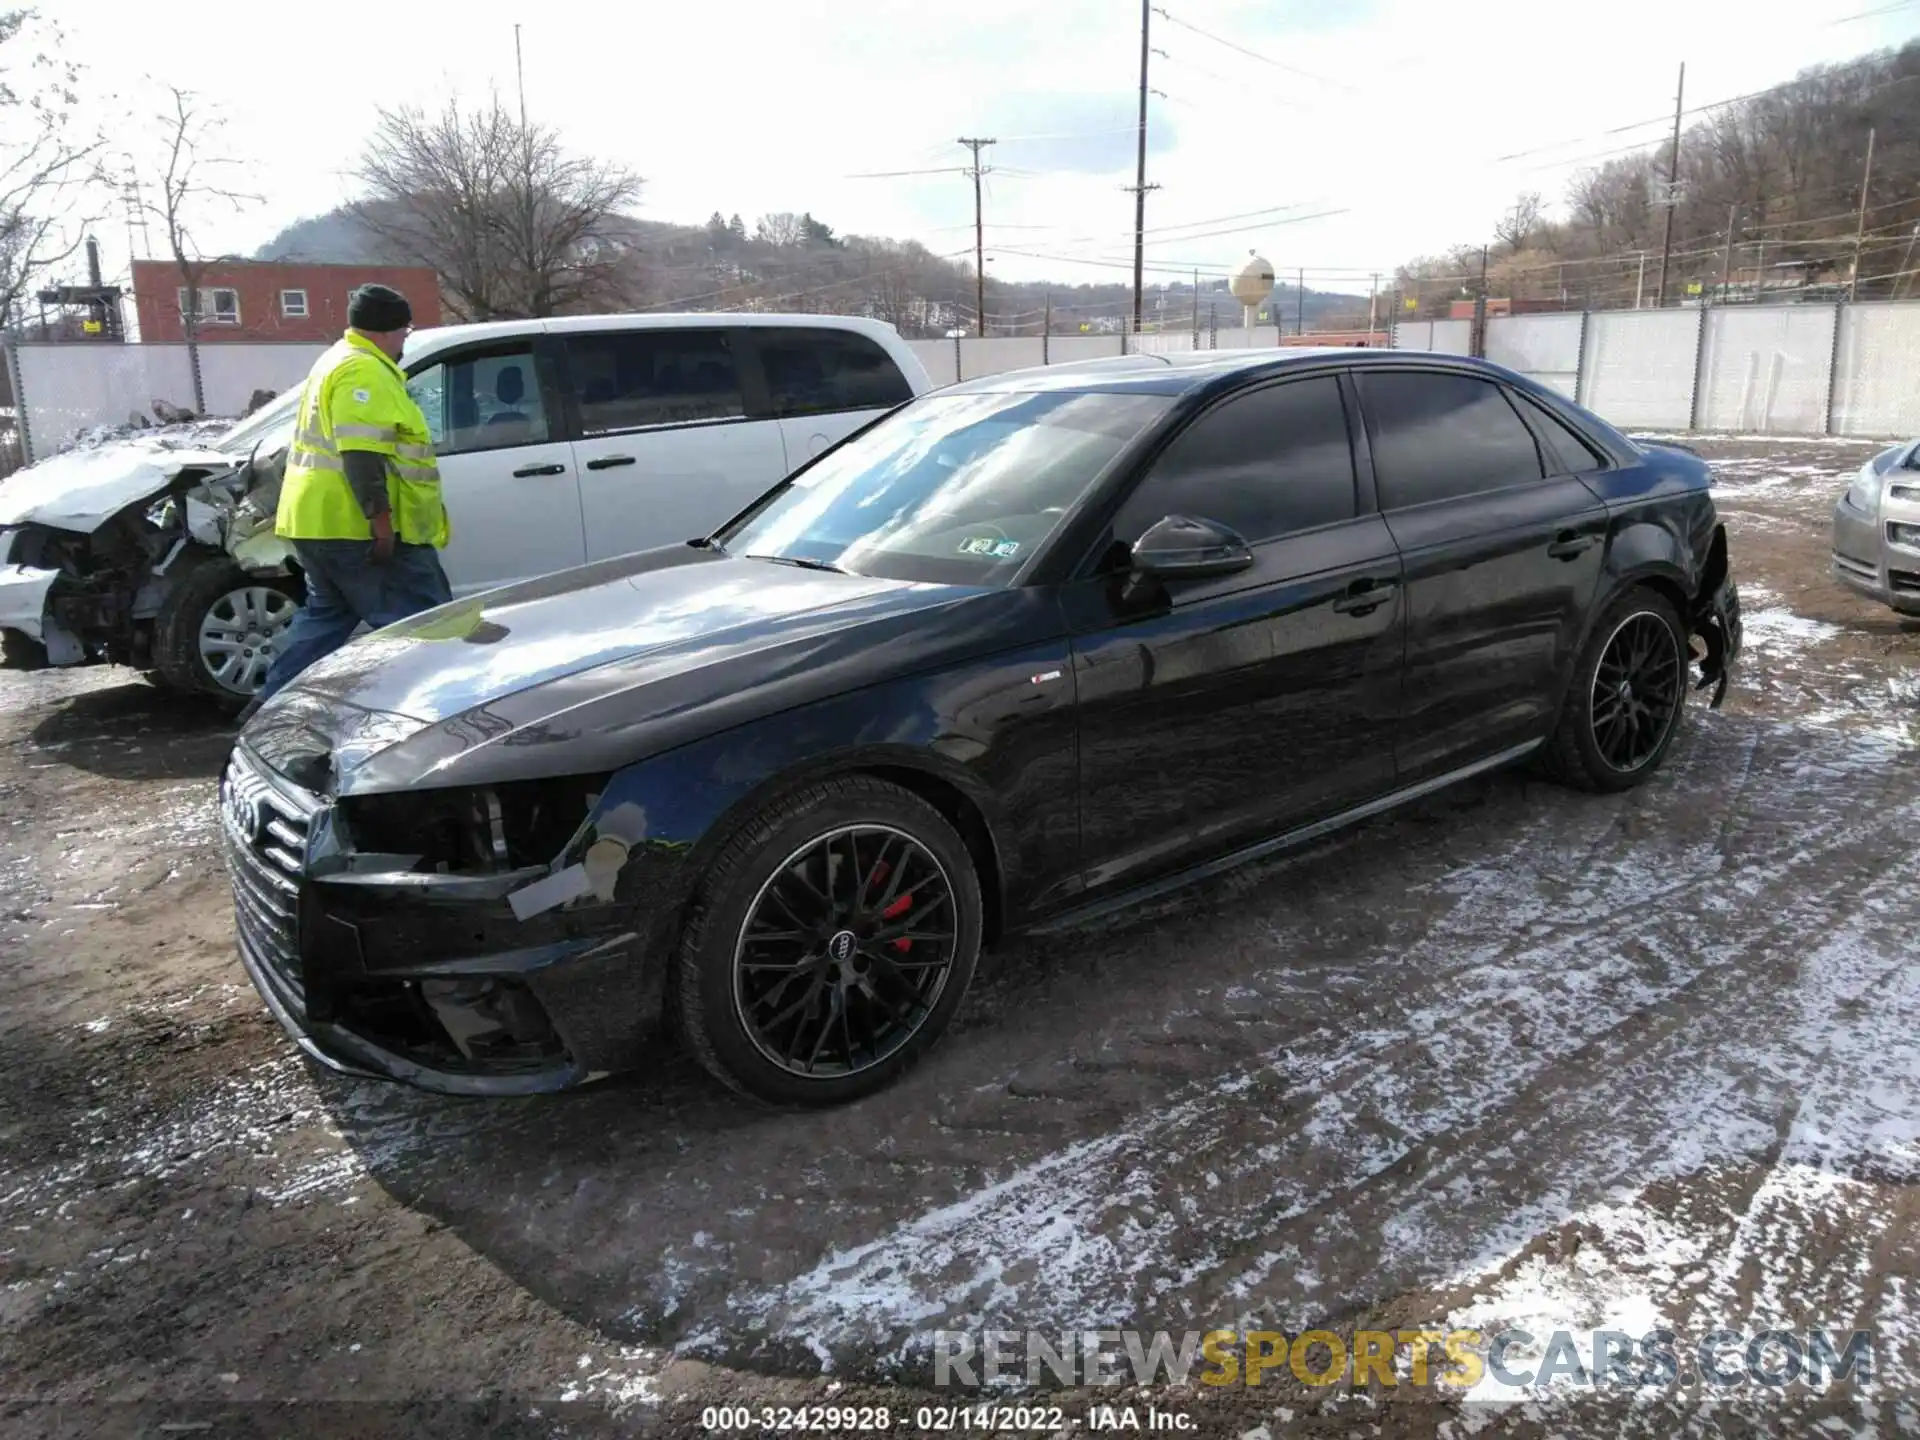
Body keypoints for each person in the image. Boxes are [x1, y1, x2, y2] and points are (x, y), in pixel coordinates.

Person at [242, 284, 452, 718]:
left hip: (314, 522)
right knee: (426, 622)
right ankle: (436, 712)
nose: (405, 341)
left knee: (325, 618)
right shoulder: (364, 372)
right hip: (353, 525)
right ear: (386, 330)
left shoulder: (335, 359)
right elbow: (361, 454)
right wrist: (380, 522)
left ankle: (268, 706)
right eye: (404, 331)